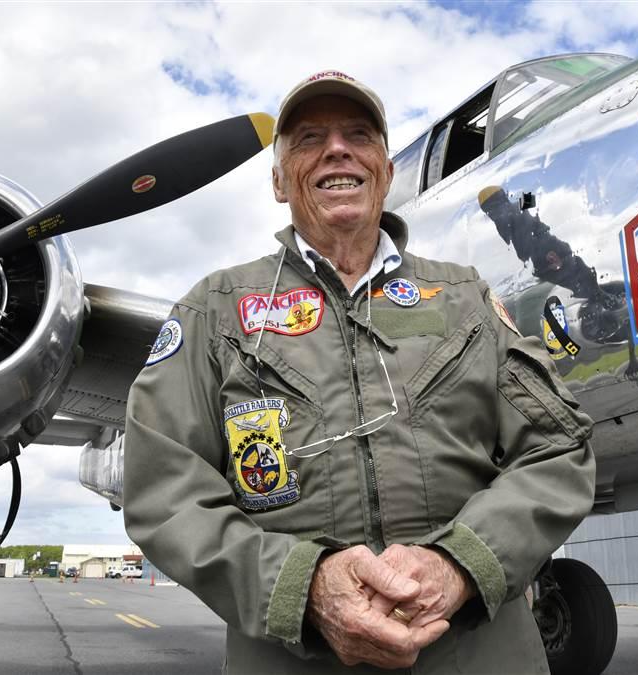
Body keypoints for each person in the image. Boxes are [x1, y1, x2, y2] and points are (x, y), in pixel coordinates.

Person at [124, 70, 596, 674]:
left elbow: (558, 448)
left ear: (386, 171)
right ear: (277, 181)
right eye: (307, 138)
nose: (337, 149)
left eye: (359, 135)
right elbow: (163, 488)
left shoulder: (466, 299)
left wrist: (461, 565)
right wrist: (304, 589)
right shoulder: (212, 310)